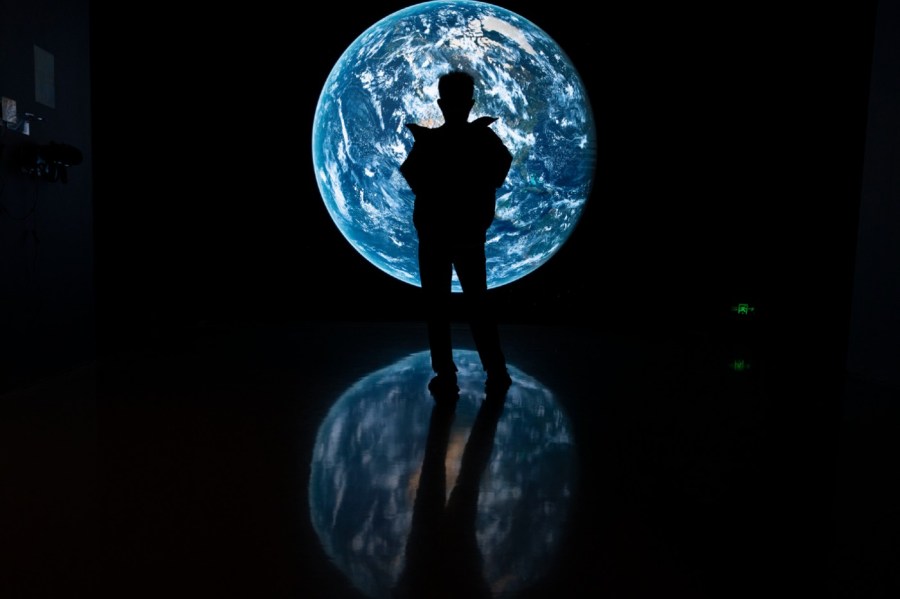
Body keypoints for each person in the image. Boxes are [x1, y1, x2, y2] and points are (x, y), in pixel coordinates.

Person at [399, 70, 513, 396]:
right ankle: (496, 371)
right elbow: (500, 169)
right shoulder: (483, 139)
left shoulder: (430, 142)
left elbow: (413, 177)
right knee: (478, 304)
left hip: (435, 236)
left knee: (438, 307)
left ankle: (447, 375)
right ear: (470, 103)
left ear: (441, 103)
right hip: (468, 235)